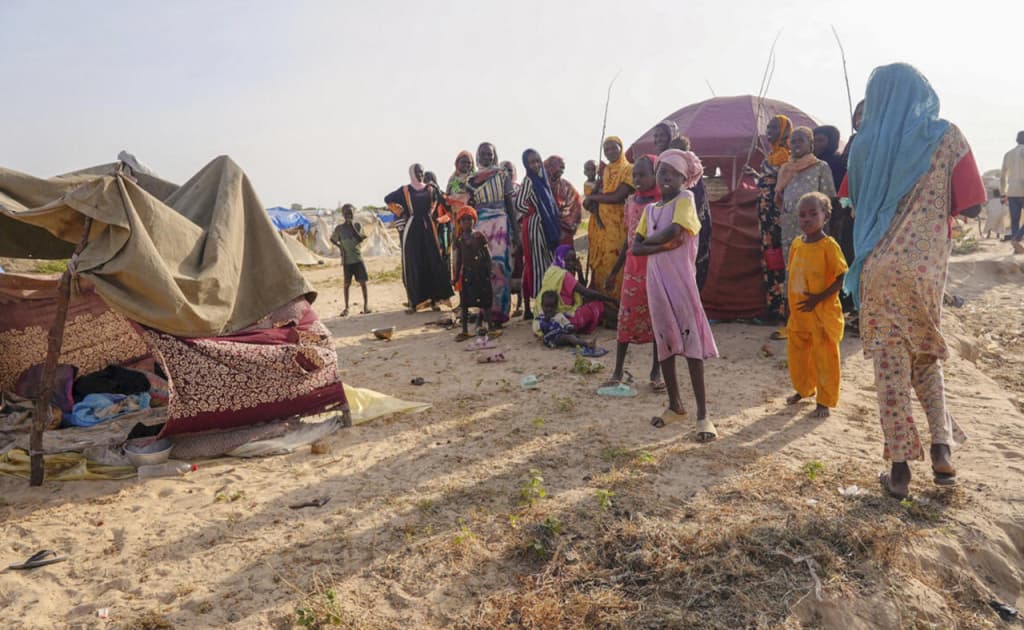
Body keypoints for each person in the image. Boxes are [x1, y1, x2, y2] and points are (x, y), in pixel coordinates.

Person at [846, 63, 985, 500]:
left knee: (890, 364)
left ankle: (901, 470)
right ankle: (942, 449)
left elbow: (850, 199)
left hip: (879, 266)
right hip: (926, 270)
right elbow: (976, 207)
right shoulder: (948, 136)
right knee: (927, 355)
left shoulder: (864, 145)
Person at [632, 149, 718, 440]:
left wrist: (651, 245)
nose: (665, 175)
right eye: (661, 170)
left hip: (680, 282)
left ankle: (703, 415)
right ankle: (675, 405)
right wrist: (660, 247)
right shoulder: (650, 210)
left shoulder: (686, 199)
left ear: (684, 177)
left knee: (692, 345)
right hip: (656, 283)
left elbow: (676, 231)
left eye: (673, 172)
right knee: (665, 341)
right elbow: (636, 247)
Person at [784, 192, 847, 418]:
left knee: (825, 357)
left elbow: (841, 278)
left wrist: (818, 298)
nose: (806, 219)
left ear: (826, 216)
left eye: (813, 214)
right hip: (799, 314)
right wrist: (788, 304)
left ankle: (825, 401)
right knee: (798, 354)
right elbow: (792, 275)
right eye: (802, 215)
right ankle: (804, 389)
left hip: (821, 314)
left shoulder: (829, 246)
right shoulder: (796, 245)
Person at [604, 154, 662, 391]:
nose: (637, 179)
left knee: (659, 320)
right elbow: (629, 241)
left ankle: (656, 371)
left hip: (656, 269)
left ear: (655, 175)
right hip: (633, 269)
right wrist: (614, 271)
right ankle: (618, 370)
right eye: (634, 175)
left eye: (642, 175)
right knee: (626, 319)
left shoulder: (662, 204)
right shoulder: (631, 203)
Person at [384, 163, 455, 313]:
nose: (420, 174)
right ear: (411, 173)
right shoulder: (405, 190)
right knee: (414, 263)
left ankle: (436, 300)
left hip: (429, 227)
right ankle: (414, 302)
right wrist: (401, 213)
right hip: (412, 228)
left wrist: (444, 218)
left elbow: (446, 202)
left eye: (422, 172)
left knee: (433, 261)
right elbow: (388, 199)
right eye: (417, 172)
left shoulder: (431, 189)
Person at [466, 142, 516, 327]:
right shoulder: (471, 180)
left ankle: (499, 315)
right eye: (483, 154)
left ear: (494, 156)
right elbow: (469, 207)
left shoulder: (502, 175)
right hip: (481, 227)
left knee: (500, 269)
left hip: (501, 226)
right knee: (483, 270)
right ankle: (483, 312)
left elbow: (509, 205)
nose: (486, 157)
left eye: (489, 154)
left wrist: (516, 234)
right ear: (478, 157)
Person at [583, 136, 634, 303]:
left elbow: (618, 197)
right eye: (607, 150)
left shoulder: (628, 169)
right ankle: (603, 307)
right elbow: (593, 199)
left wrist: (594, 197)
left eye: (614, 148)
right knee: (601, 263)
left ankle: (618, 305)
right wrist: (590, 201)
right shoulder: (604, 171)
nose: (610, 152)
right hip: (600, 227)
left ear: (621, 148)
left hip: (618, 225)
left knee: (615, 261)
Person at [754, 114, 793, 328]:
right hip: (766, 219)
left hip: (778, 219)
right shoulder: (772, 155)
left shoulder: (787, 156)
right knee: (770, 260)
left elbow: (779, 179)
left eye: (774, 127)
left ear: (785, 130)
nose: (769, 130)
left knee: (778, 259)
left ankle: (780, 310)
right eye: (768, 127)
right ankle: (773, 308)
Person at [515, 149, 562, 321]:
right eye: (531, 162)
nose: (535, 165)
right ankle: (541, 308)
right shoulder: (529, 180)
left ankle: (549, 305)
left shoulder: (543, 180)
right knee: (539, 265)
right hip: (536, 227)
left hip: (546, 226)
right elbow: (519, 204)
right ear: (526, 165)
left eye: (537, 161)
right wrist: (534, 211)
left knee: (549, 263)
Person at [540, 245, 617, 335]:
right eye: (568, 260)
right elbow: (586, 292)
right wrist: (611, 299)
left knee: (587, 301)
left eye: (573, 260)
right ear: (560, 258)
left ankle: (614, 322)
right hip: (565, 320)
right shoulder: (564, 275)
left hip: (553, 317)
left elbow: (581, 288)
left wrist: (580, 272)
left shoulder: (551, 271)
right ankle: (622, 321)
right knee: (599, 305)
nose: (571, 263)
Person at [452, 205, 493, 340]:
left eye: (469, 219)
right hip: (467, 275)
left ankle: (491, 328)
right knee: (464, 304)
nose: (467, 223)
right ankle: (464, 330)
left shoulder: (479, 236)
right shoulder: (459, 240)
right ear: (459, 223)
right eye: (463, 220)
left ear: (474, 221)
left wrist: (490, 271)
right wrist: (456, 277)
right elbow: (458, 261)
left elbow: (488, 256)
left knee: (485, 302)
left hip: (481, 273)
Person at [330, 204, 370, 316]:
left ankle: (366, 306)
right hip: (347, 261)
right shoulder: (339, 229)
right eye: (346, 213)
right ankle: (346, 307)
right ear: (343, 214)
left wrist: (352, 226)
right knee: (347, 284)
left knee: (363, 282)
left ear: (354, 213)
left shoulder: (357, 225)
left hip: (357, 258)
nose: (349, 215)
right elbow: (332, 239)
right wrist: (340, 246)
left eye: (351, 213)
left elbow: (360, 239)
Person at [532, 290, 600, 351]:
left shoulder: (559, 315)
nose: (549, 309)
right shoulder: (541, 317)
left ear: (556, 307)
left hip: (562, 335)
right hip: (551, 339)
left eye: (552, 307)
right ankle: (587, 344)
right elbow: (536, 329)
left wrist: (570, 327)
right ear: (542, 306)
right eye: (546, 307)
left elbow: (566, 323)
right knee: (569, 338)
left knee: (573, 336)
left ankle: (579, 342)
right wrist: (543, 323)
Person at [544, 156, 583, 247]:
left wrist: (563, 220)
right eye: (559, 167)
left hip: (564, 231)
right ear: (549, 167)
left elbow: (576, 205)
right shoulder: (540, 186)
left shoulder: (566, 186)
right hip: (542, 230)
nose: (562, 170)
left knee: (564, 257)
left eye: (563, 168)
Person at [1000, 131, 1024, 253]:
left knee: (1015, 220)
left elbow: (1002, 176)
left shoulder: (1008, 154)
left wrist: (1002, 192)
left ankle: (1016, 248)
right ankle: (1017, 238)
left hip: (1012, 191)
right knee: (1016, 220)